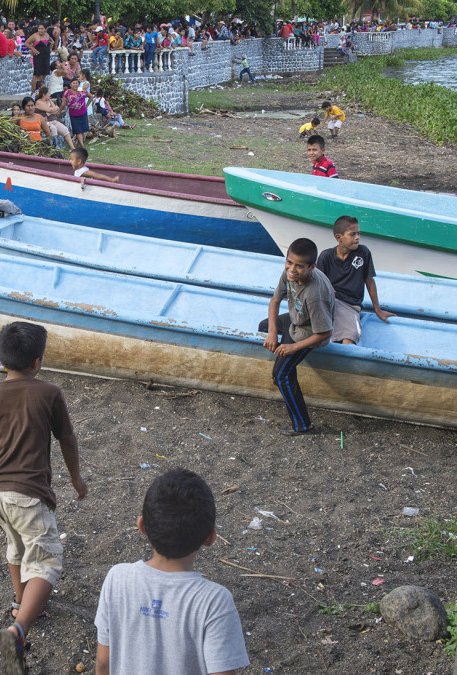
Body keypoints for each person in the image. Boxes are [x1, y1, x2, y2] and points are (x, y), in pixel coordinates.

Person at [0, 321, 87, 675]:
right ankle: (18, 629)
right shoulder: (49, 393)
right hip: (29, 494)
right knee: (47, 561)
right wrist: (75, 477)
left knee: (17, 549)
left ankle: (18, 603)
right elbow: (66, 439)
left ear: (2, 359)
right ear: (37, 361)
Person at [95, 469, 249, 675]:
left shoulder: (117, 578)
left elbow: (104, 662)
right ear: (210, 538)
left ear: (142, 526)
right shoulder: (215, 601)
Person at [258, 237, 335, 435]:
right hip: (295, 319)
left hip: (307, 332)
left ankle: (303, 425)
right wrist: (273, 332)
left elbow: (325, 332)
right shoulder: (289, 274)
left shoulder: (314, 295)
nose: (292, 269)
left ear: (311, 267)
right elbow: (275, 301)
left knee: (281, 375)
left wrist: (292, 347)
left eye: (299, 266)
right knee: (264, 326)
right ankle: (284, 348)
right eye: (289, 262)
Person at [316, 216, 394, 345]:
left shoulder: (363, 252)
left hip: (350, 305)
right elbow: (318, 283)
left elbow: (369, 281)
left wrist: (377, 309)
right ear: (338, 237)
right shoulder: (326, 256)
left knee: (350, 337)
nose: (357, 237)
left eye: (358, 233)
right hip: (329, 302)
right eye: (352, 234)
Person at [63, 77, 91, 147]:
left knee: (84, 130)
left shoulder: (82, 91)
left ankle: (79, 145)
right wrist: (59, 110)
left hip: (83, 113)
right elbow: (63, 103)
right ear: (70, 84)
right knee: (77, 130)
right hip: (73, 115)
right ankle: (82, 145)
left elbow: (91, 97)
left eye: (77, 83)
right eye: (73, 83)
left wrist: (86, 106)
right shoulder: (67, 92)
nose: (75, 85)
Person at [25, 23, 52, 94]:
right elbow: (26, 43)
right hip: (38, 57)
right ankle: (34, 92)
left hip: (46, 57)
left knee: (44, 75)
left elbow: (51, 41)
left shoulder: (47, 35)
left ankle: (41, 91)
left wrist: (51, 45)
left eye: (42, 29)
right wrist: (33, 49)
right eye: (39, 29)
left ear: (45, 29)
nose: (40, 30)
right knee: (37, 75)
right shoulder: (35, 36)